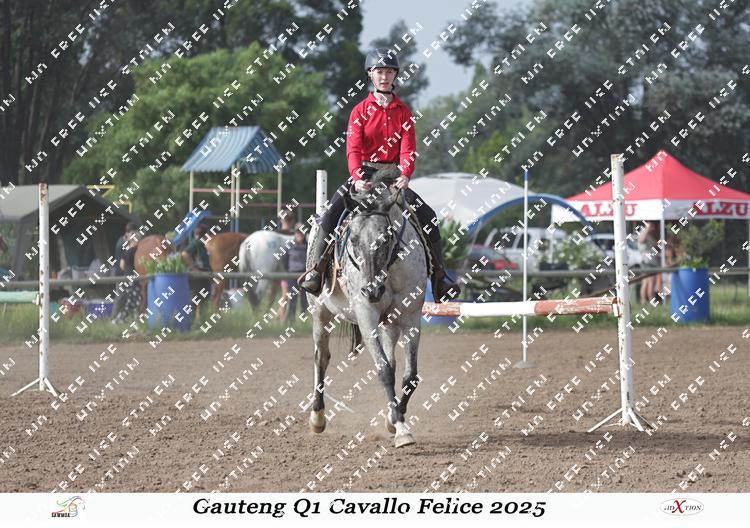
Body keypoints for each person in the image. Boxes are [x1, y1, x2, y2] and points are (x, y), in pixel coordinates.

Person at [298, 48, 460, 302]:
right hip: (365, 172)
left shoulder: (404, 112)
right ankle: (316, 271)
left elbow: (408, 149)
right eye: (380, 72)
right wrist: (356, 176)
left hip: (393, 176)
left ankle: (440, 278)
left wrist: (406, 173)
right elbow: (353, 149)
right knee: (330, 213)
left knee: (428, 216)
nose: (384, 77)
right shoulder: (359, 111)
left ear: (395, 75)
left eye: (389, 72)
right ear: (371, 75)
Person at [112, 232, 141, 323]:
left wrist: (127, 271)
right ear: (135, 240)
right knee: (134, 298)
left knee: (128, 298)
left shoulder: (126, 252)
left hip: (127, 276)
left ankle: (121, 318)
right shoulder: (136, 251)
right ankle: (123, 318)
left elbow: (122, 265)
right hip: (134, 277)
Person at [283, 224, 309, 322]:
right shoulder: (290, 245)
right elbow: (284, 261)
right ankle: (291, 319)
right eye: (298, 232)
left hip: (304, 276)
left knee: (304, 299)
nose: (299, 234)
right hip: (292, 276)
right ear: (295, 233)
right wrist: (289, 272)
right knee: (292, 298)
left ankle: (303, 319)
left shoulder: (308, 246)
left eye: (301, 232)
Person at [638, 221, 661, 303]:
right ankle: (651, 300)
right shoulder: (644, 232)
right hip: (648, 261)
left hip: (650, 261)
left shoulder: (649, 234)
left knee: (646, 282)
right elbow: (641, 240)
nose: (653, 228)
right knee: (650, 282)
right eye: (652, 226)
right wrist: (647, 228)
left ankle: (644, 301)